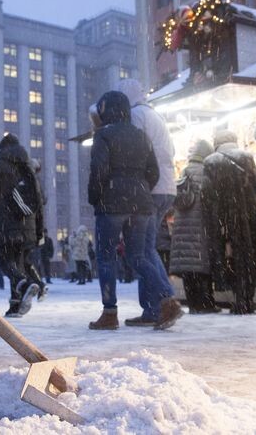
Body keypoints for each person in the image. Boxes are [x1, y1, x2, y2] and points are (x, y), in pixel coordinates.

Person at [86, 91, 182, 331]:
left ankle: (109, 313)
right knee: (138, 256)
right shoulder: (141, 136)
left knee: (106, 257)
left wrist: (95, 197)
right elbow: (154, 173)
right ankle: (166, 299)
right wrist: (138, 190)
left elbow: (98, 171)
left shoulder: (103, 135)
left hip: (111, 204)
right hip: (141, 204)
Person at [117, 79, 179, 324]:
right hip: (167, 188)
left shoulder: (135, 115)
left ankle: (166, 300)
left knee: (140, 252)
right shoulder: (156, 116)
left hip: (149, 189)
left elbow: (135, 151)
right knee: (147, 249)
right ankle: (152, 309)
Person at [0, 133, 44, 318]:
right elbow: (38, 200)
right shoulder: (28, 167)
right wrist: (38, 230)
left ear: (2, 149)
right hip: (27, 224)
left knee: (4, 261)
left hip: (6, 223)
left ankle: (26, 283)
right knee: (17, 262)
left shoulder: (1, 166)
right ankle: (15, 306)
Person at [205, 130, 256, 314]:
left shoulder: (211, 162)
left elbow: (207, 193)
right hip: (248, 215)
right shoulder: (246, 157)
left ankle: (237, 295)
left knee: (229, 254)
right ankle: (247, 297)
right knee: (248, 253)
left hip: (223, 217)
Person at [170, 139, 220, 314]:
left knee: (189, 270)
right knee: (203, 268)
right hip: (200, 227)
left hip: (182, 229)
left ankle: (193, 304)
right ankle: (206, 303)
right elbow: (212, 202)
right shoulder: (206, 173)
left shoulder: (183, 173)